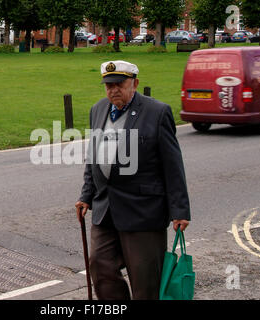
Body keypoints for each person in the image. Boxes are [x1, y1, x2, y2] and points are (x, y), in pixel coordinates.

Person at [75, 60, 191, 300]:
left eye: (119, 84)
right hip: (105, 207)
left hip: (143, 210)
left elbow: (173, 165)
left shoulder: (157, 112)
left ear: (135, 83)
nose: (113, 90)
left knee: (145, 280)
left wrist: (180, 209)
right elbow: (93, 159)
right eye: (108, 85)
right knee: (100, 265)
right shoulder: (98, 110)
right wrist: (86, 195)